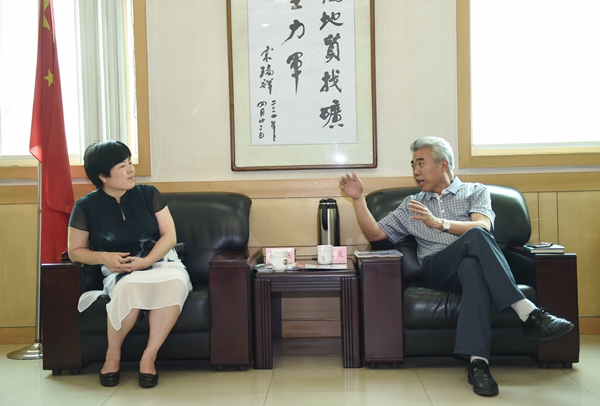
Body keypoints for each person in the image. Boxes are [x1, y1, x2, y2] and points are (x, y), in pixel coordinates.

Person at [339, 136, 574, 397]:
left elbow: (483, 225)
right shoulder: (412, 204)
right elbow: (375, 235)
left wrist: (440, 223)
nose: (415, 171)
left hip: (473, 267)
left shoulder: (475, 191)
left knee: (473, 265)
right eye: (413, 165)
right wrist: (358, 199)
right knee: (476, 238)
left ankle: (478, 364)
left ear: (443, 165)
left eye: (421, 163)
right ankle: (529, 313)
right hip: (437, 269)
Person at [68, 140, 192, 389]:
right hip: (122, 269)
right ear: (103, 176)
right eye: (122, 166)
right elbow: (75, 252)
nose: (130, 169)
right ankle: (112, 355)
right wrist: (104, 258)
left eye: (130, 162)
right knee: (128, 287)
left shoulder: (149, 194)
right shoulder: (85, 207)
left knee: (175, 282)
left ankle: (149, 357)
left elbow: (169, 235)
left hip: (162, 263)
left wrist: (147, 261)